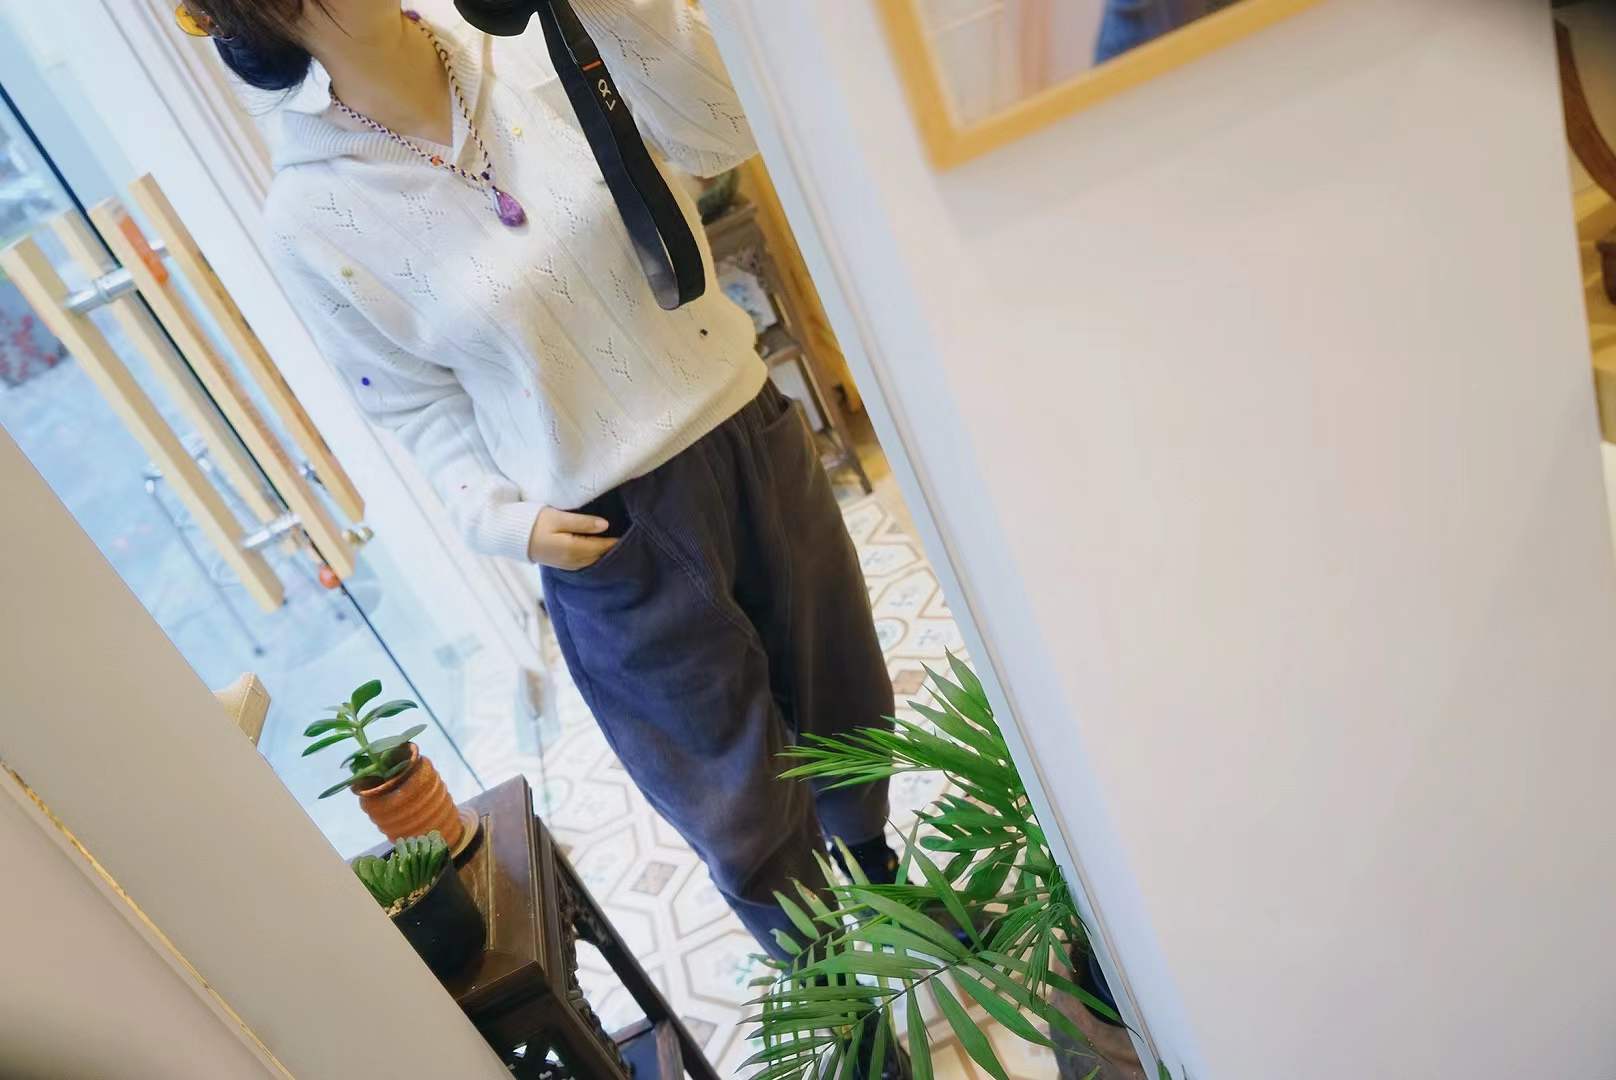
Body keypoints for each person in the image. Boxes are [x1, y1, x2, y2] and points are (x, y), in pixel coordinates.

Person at [183, 0, 904, 1064]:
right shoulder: (308, 216)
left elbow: (723, 130)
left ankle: (895, 893)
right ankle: (858, 1033)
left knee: (845, 701)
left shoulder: (531, 39)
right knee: (744, 816)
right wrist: (503, 520)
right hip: (609, 536)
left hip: (743, 428)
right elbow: (410, 403)